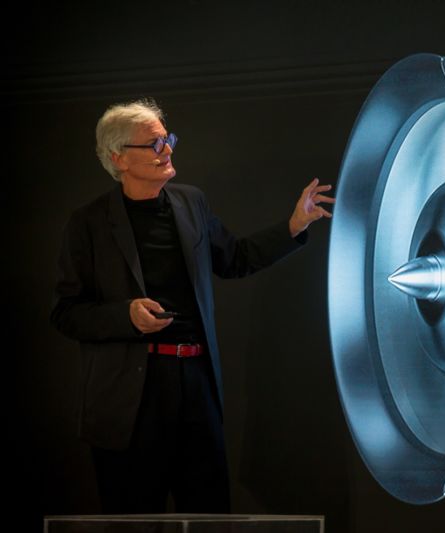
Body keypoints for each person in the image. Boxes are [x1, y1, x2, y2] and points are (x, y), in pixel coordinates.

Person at [49, 99, 334, 514]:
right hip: (130, 398)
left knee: (209, 515)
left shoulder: (191, 203)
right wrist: (125, 316)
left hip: (195, 385)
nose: (167, 150)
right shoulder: (87, 224)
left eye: (168, 139)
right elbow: (66, 312)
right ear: (118, 158)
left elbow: (234, 259)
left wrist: (294, 226)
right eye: (154, 144)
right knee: (133, 520)